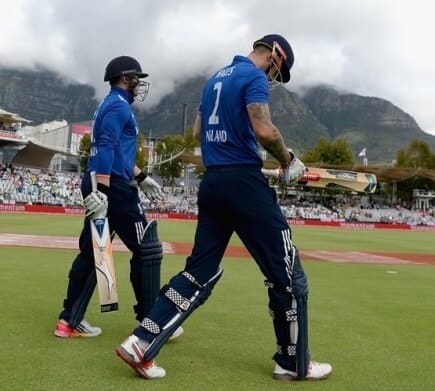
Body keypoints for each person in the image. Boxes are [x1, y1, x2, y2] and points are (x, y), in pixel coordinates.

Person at [116, 35, 332, 381]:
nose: (275, 78)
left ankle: (141, 341)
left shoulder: (215, 77)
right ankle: (293, 361)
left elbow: (200, 130)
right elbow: (263, 128)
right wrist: (288, 160)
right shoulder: (254, 77)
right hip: (244, 185)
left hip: (214, 182)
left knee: (200, 271)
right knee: (288, 273)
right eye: (280, 70)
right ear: (275, 55)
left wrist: (238, 155)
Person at [54, 55, 183, 341]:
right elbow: (107, 147)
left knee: (93, 252)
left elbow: (120, 154)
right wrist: (103, 191)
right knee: (147, 249)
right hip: (111, 188)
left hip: (107, 183)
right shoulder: (117, 107)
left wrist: (140, 176)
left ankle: (68, 322)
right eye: (138, 78)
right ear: (127, 78)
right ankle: (153, 322)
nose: (140, 84)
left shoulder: (114, 104)